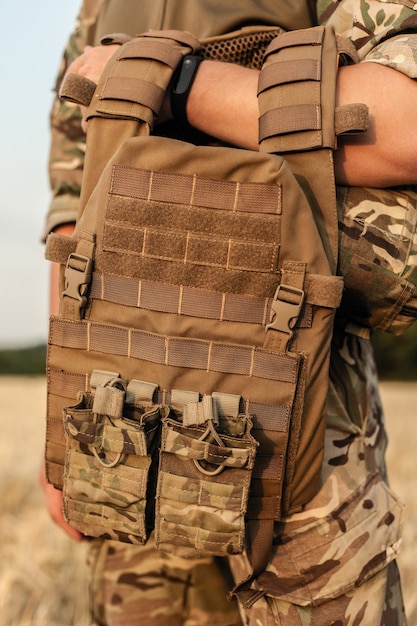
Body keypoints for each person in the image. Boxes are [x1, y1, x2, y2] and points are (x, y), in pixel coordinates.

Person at [40, 1, 417, 624]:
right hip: (114, 414)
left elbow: (402, 124)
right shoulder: (98, 6)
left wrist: (170, 82)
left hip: (294, 407)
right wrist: (60, 420)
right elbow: (74, 204)